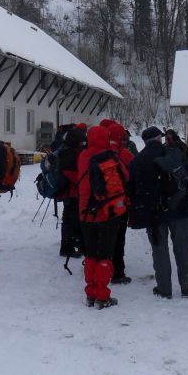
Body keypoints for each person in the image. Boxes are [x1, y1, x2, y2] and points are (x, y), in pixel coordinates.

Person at [128, 126, 188, 300]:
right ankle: (187, 286)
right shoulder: (175, 154)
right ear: (159, 138)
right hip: (180, 209)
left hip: (155, 213)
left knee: (160, 251)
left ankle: (164, 289)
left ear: (144, 141)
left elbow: (132, 189)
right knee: (185, 249)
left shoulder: (137, 160)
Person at [77, 124, 129, 309]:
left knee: (90, 255)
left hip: (85, 214)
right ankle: (102, 296)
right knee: (105, 256)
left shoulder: (82, 156)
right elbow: (126, 176)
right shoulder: (111, 156)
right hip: (107, 213)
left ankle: (90, 294)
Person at [104, 120, 135, 285]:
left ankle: (103, 268)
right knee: (118, 237)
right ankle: (118, 271)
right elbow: (133, 175)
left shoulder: (98, 152)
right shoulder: (124, 154)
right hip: (120, 203)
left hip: (100, 204)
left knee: (104, 237)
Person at [58, 125, 86, 259]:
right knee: (70, 220)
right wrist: (81, 181)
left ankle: (69, 245)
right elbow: (69, 172)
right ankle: (67, 247)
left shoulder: (70, 150)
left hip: (71, 192)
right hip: (72, 192)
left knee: (70, 219)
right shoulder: (70, 153)